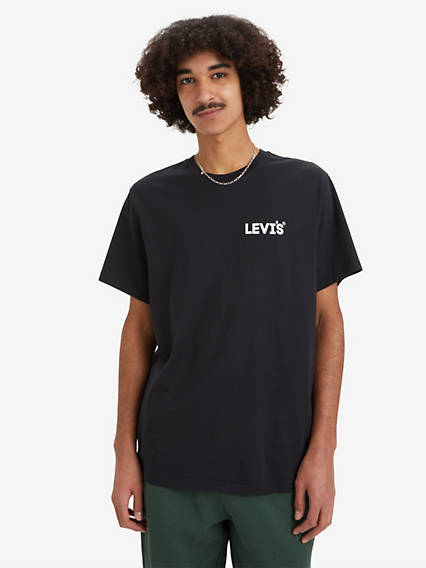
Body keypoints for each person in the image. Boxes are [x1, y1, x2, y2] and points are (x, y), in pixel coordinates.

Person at [98, 14, 363, 568]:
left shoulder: (305, 188)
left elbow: (329, 322)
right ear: (172, 95)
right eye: (187, 80)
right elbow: (138, 329)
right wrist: (125, 451)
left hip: (279, 464)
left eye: (218, 74)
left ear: (247, 81)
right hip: (173, 462)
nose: (204, 93)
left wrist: (324, 449)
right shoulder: (151, 199)